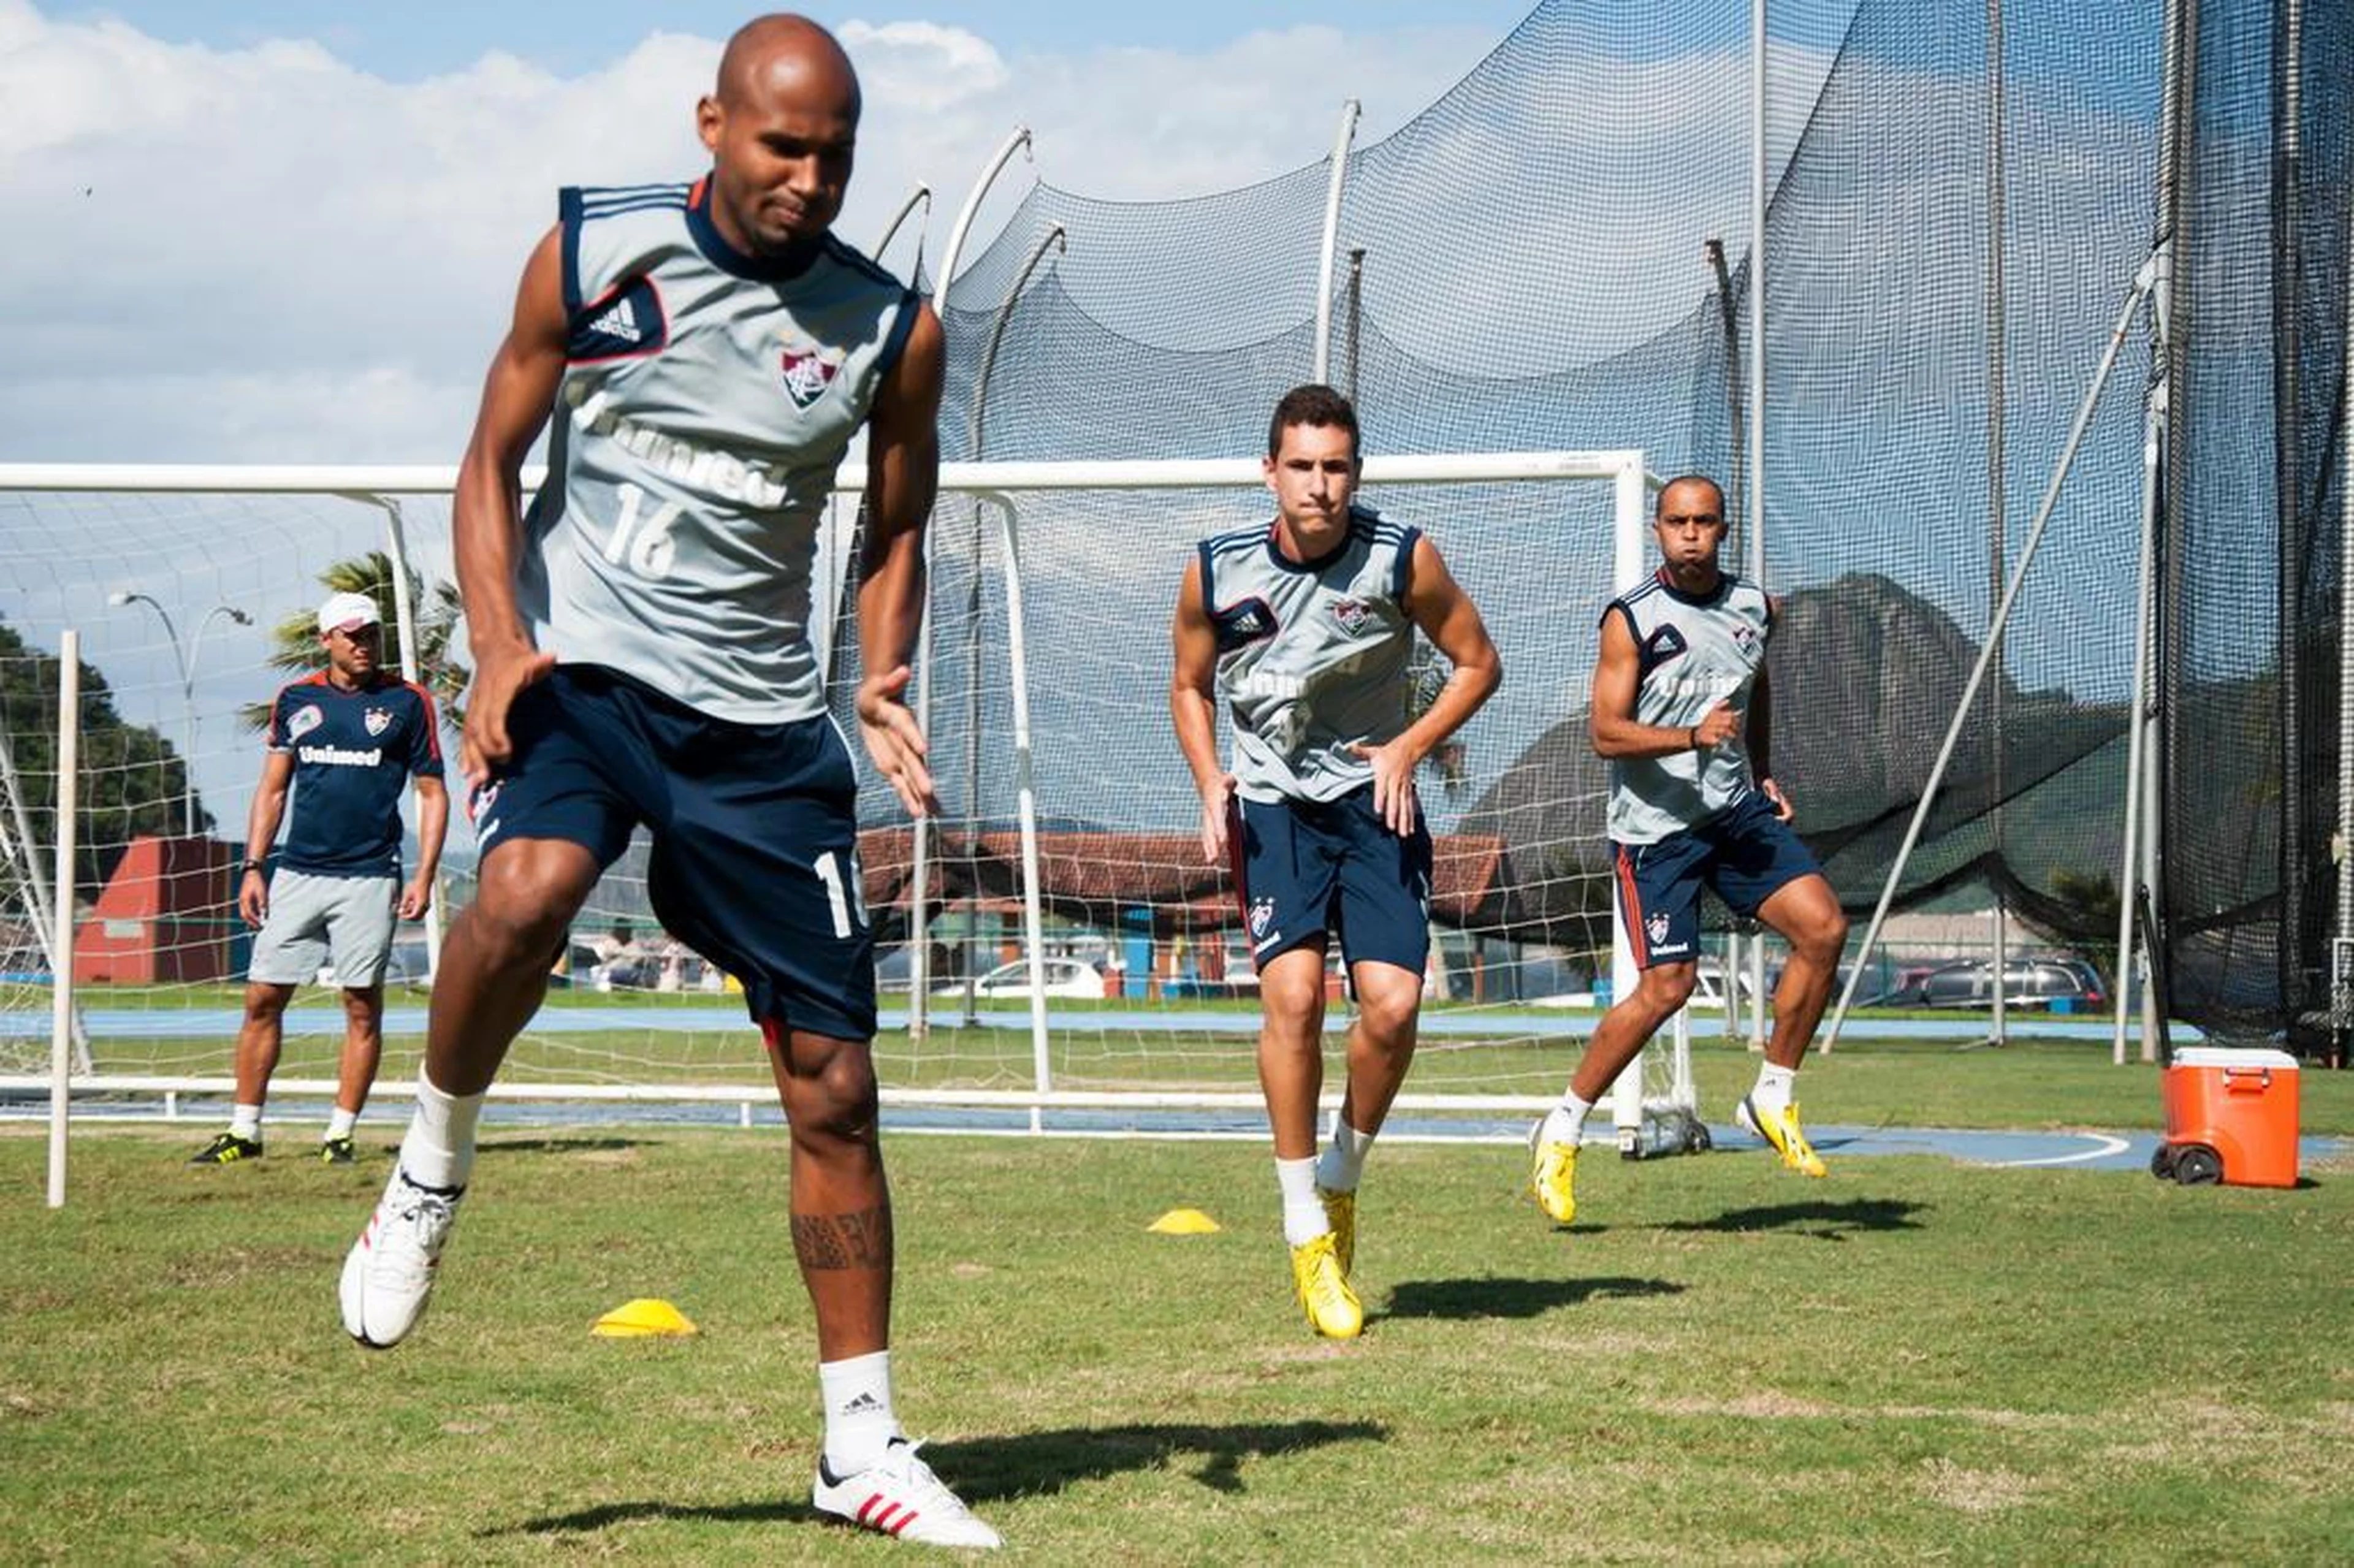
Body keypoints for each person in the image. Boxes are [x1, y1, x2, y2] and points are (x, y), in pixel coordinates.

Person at [335, 17, 997, 1550]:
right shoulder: (591, 259)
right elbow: (487, 460)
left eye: (835, 152)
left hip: (761, 736)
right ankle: (430, 1168)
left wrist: (879, 674)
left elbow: (898, 523)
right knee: (528, 887)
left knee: (834, 1083)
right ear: (712, 124)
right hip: (583, 675)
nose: (810, 178)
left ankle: (857, 1444)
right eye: (782, 146)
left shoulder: (890, 329)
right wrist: (496, 646)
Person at [1170, 384, 1501, 1339]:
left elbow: (1480, 662)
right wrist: (1208, 779)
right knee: (1297, 998)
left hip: (1375, 804)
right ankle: (1304, 1227)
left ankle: (1343, 1176)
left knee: (1394, 1008)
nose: (1321, 485)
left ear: (1357, 471)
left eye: (1338, 466)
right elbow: (1189, 685)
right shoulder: (1216, 573)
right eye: (1303, 466)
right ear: (1268, 470)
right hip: (1273, 809)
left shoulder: (1402, 558)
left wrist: (1407, 746)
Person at [1527, 474, 1849, 1224]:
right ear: (1658, 529)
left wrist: (1762, 770)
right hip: (1657, 834)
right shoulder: (1631, 620)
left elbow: (1754, 689)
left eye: (1705, 521)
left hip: (1735, 815)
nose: (1692, 534)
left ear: (1724, 528)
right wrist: (1688, 736)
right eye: (1678, 522)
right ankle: (1564, 1124)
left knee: (1825, 928)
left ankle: (1772, 1093)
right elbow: (1605, 733)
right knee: (1666, 988)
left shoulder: (1755, 608)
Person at [189, 592, 449, 1166]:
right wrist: (254, 867)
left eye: (372, 634)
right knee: (262, 998)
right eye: (352, 635)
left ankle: (339, 1134)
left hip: (371, 877)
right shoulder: (296, 699)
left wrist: (425, 874)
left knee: (360, 1004)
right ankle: (244, 1132)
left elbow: (432, 792)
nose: (364, 644)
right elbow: (273, 789)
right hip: (297, 873)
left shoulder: (408, 703)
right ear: (326, 639)